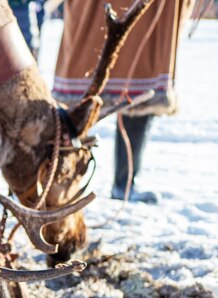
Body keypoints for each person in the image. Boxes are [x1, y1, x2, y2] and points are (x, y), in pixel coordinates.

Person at [52, 0, 195, 204]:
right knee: (79, 103)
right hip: (96, 10)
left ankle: (125, 183)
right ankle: (53, 181)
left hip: (147, 12)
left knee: (141, 89)